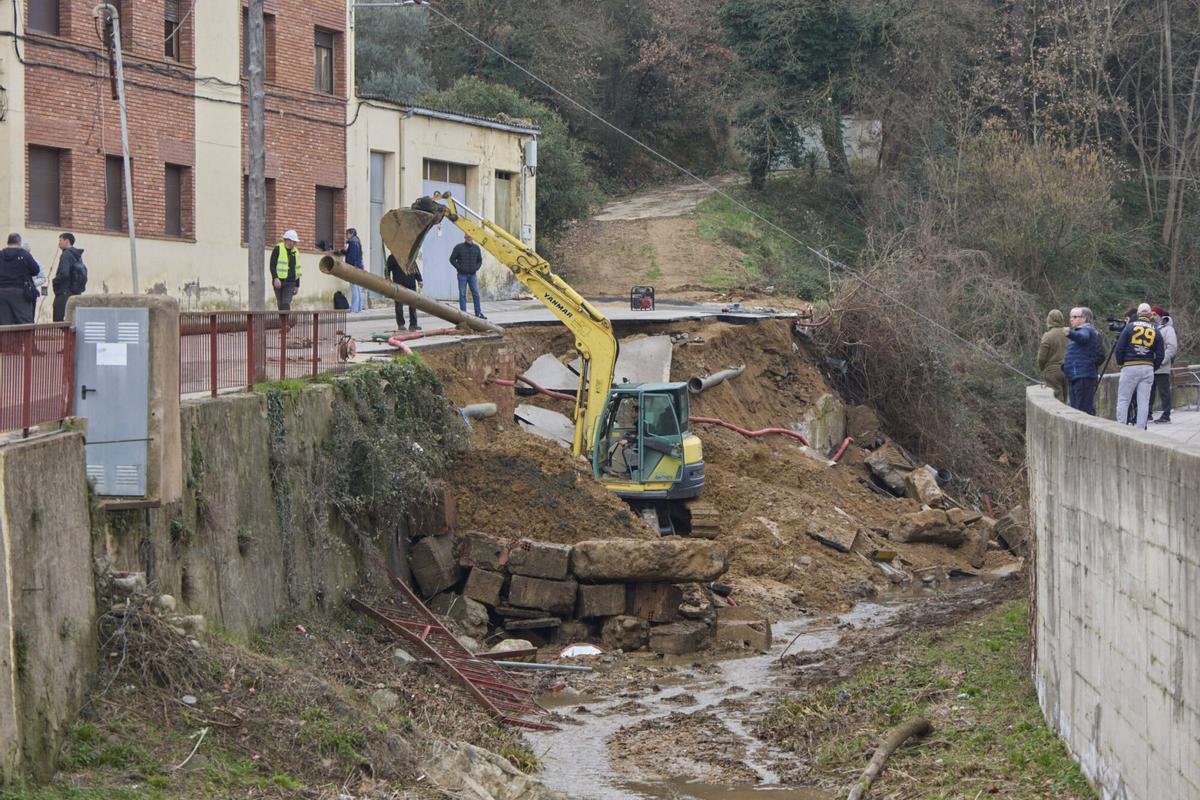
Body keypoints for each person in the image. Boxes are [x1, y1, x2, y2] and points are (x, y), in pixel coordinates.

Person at [1114, 303, 1164, 430]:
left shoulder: (1130, 327)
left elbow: (1119, 348)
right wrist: (1153, 367)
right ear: (1149, 314)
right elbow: (1160, 354)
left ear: (1138, 314)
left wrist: (1121, 362)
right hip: (1147, 367)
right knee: (1143, 402)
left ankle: (1121, 428)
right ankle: (1141, 430)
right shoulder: (1156, 330)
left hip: (1130, 366)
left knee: (1124, 400)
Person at [1063, 307, 1103, 415]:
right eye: (1071, 317)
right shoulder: (1078, 331)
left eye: (1075, 317)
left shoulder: (1087, 330)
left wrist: (1070, 333)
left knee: (1082, 411)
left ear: (1084, 319)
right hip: (1075, 376)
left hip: (1083, 376)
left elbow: (1082, 337)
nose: (1071, 319)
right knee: (1076, 409)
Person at [0, 233, 41, 325]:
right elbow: (35, 270)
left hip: (2, 292)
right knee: (24, 323)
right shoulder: (24, 254)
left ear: (8, 242)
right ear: (19, 243)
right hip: (20, 292)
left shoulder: (1, 254)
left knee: (4, 324)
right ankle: (25, 340)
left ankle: (6, 340)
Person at [1148, 305, 1178, 424]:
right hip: (1150, 366)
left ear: (1161, 316)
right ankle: (1148, 414)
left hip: (1162, 367)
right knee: (1149, 391)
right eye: (1151, 314)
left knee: (1164, 392)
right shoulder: (1151, 328)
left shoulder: (1168, 329)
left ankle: (1166, 415)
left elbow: (1172, 347)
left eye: (1155, 314)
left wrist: (1161, 361)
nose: (1152, 316)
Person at [1037, 309, 1069, 404]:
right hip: (1068, 370)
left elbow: (1041, 358)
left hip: (1052, 372)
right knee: (1066, 398)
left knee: (1057, 401)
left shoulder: (1048, 336)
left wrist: (1042, 369)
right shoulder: (1069, 333)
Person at [385, 248, 423, 331]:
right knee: (399, 305)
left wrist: (419, 279)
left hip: (411, 283)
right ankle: (401, 324)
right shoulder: (393, 257)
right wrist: (388, 278)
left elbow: (415, 269)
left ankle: (413, 324)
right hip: (399, 285)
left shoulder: (410, 257)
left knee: (413, 304)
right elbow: (387, 269)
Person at [52, 232, 86, 322]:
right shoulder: (77, 255)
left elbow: (64, 273)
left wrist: (55, 281)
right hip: (74, 292)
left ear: (67, 241)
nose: (59, 243)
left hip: (64, 292)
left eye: (60, 240)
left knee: (59, 319)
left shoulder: (66, 255)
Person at [449, 233, 485, 318]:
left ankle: (478, 313)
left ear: (473, 237)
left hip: (473, 275)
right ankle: (463, 315)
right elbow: (452, 259)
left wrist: (476, 268)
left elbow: (479, 260)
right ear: (464, 238)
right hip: (462, 275)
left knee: (475, 293)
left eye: (470, 237)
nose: (469, 238)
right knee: (462, 294)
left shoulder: (476, 248)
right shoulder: (459, 247)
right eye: (467, 237)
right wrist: (459, 268)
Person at [269, 229, 301, 311]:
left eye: (295, 242)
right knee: (280, 304)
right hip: (279, 281)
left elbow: (297, 269)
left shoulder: (296, 252)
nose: (294, 243)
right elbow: (272, 265)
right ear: (287, 240)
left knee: (286, 303)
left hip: (290, 282)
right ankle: (282, 323)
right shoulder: (278, 249)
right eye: (292, 241)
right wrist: (275, 278)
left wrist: (297, 285)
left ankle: (286, 323)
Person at [340, 228, 364, 313]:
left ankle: (354, 308)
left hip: (354, 268)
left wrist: (349, 267)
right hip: (359, 267)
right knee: (358, 288)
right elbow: (353, 254)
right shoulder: (357, 241)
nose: (346, 236)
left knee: (354, 288)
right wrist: (344, 252)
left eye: (347, 234)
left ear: (351, 233)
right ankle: (360, 307)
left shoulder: (352, 242)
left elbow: (352, 257)